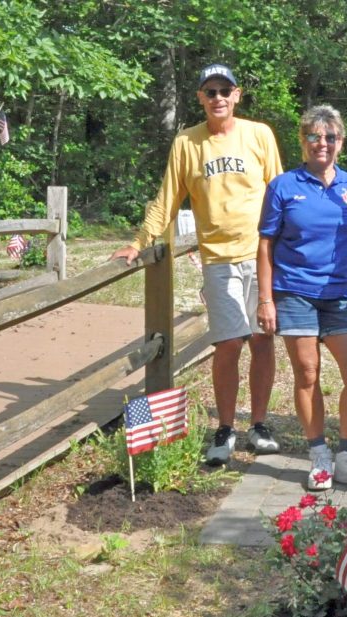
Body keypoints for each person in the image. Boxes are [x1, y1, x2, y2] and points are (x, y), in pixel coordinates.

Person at [111, 64, 283, 466]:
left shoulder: (259, 134)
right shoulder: (187, 143)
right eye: (210, 91)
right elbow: (167, 199)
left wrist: (289, 248)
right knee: (227, 344)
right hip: (219, 259)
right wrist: (138, 242)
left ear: (237, 95)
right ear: (200, 98)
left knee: (262, 339)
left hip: (262, 255)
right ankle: (225, 428)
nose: (218, 97)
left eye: (225, 90)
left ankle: (258, 424)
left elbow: (280, 193)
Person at [257, 105, 347, 491]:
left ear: (341, 142)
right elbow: (266, 244)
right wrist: (266, 299)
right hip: (295, 293)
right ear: (302, 141)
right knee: (307, 374)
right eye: (314, 136)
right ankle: (318, 453)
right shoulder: (284, 186)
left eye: (330, 137)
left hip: (340, 296)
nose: (323, 143)